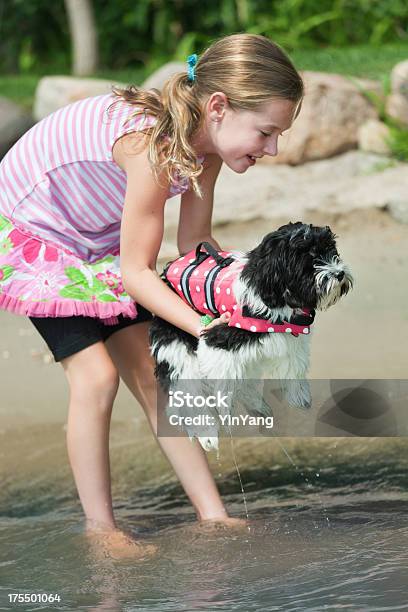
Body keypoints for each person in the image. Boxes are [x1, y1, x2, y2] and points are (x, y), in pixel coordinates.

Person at [0, 33, 303, 556]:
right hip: (32, 232)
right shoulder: (150, 148)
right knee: (96, 376)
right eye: (266, 132)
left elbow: (194, 245)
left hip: (97, 240)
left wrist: (242, 294)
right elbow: (138, 273)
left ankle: (213, 515)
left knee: (151, 371)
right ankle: (102, 532)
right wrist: (207, 330)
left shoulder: (205, 149)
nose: (272, 149)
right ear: (218, 107)